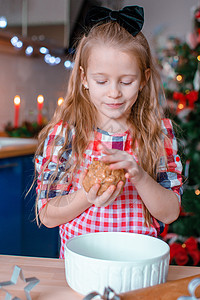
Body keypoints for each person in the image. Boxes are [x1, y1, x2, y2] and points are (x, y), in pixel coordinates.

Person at [35, 5, 183, 259]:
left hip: (139, 264)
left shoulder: (157, 133)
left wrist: (139, 176)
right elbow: (47, 215)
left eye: (126, 82)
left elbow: (170, 213)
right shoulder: (67, 134)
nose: (114, 92)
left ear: (144, 78)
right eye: (101, 81)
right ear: (84, 79)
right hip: (83, 263)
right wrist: (87, 194)